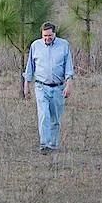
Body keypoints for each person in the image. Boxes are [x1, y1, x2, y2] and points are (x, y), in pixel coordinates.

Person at [23, 22, 74, 154]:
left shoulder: (64, 45)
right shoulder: (35, 46)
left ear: (54, 34)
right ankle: (44, 144)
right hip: (41, 87)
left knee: (55, 118)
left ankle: (53, 144)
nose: (47, 38)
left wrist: (69, 85)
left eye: (50, 35)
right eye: (45, 36)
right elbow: (30, 67)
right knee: (44, 115)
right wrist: (27, 85)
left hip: (58, 87)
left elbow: (68, 67)